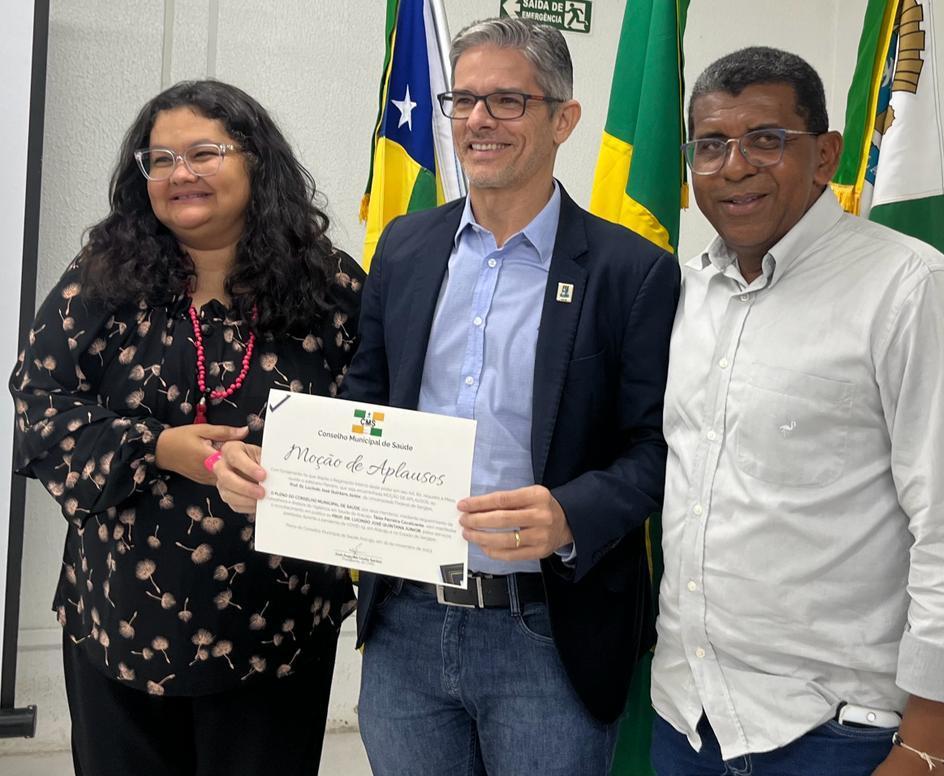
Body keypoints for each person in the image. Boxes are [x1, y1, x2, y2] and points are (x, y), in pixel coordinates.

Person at [215, 16, 679, 776]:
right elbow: (365, 407)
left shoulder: (631, 270)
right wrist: (282, 471)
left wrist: (570, 514)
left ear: (563, 119)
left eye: (506, 101)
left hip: (546, 630)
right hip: (405, 625)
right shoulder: (405, 246)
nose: (478, 120)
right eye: (462, 100)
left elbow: (656, 448)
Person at [650, 46, 944, 776]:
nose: (735, 166)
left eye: (766, 139)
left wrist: (924, 750)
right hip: (686, 719)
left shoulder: (912, 292)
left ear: (825, 155)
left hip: (835, 735)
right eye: (711, 145)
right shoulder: (685, 294)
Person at [10, 79, 365, 776]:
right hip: (122, 620)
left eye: (204, 153)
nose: (181, 174)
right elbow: (39, 400)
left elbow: (376, 416)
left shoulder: (330, 287)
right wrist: (157, 449)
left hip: (275, 624)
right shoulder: (104, 278)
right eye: (161, 160)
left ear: (255, 160)